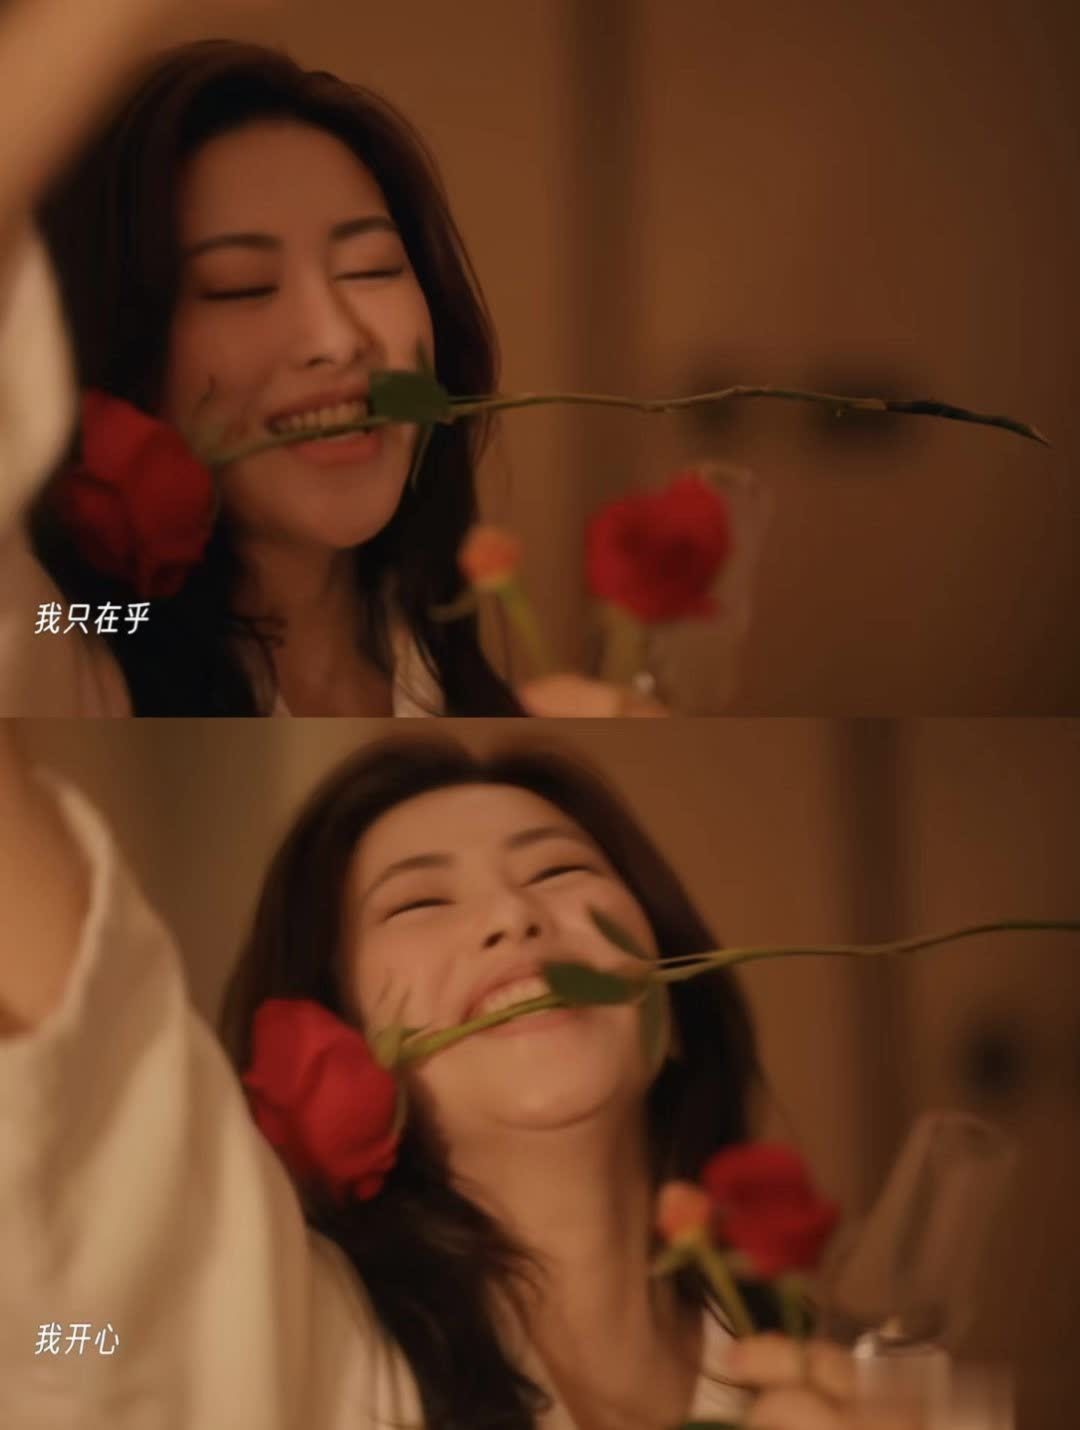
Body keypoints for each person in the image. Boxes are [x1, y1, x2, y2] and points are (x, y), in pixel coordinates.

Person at [0, 721, 910, 1429]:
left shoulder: (836, 1373)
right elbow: (98, 1031)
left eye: (558, 870)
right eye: (421, 901)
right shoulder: (297, 1339)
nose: (514, 914)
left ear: (673, 1012)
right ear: (340, 1035)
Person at [0, 0, 663, 717]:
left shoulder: (454, 683)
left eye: (371, 268)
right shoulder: (69, 650)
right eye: (240, 286)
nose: (336, 340)